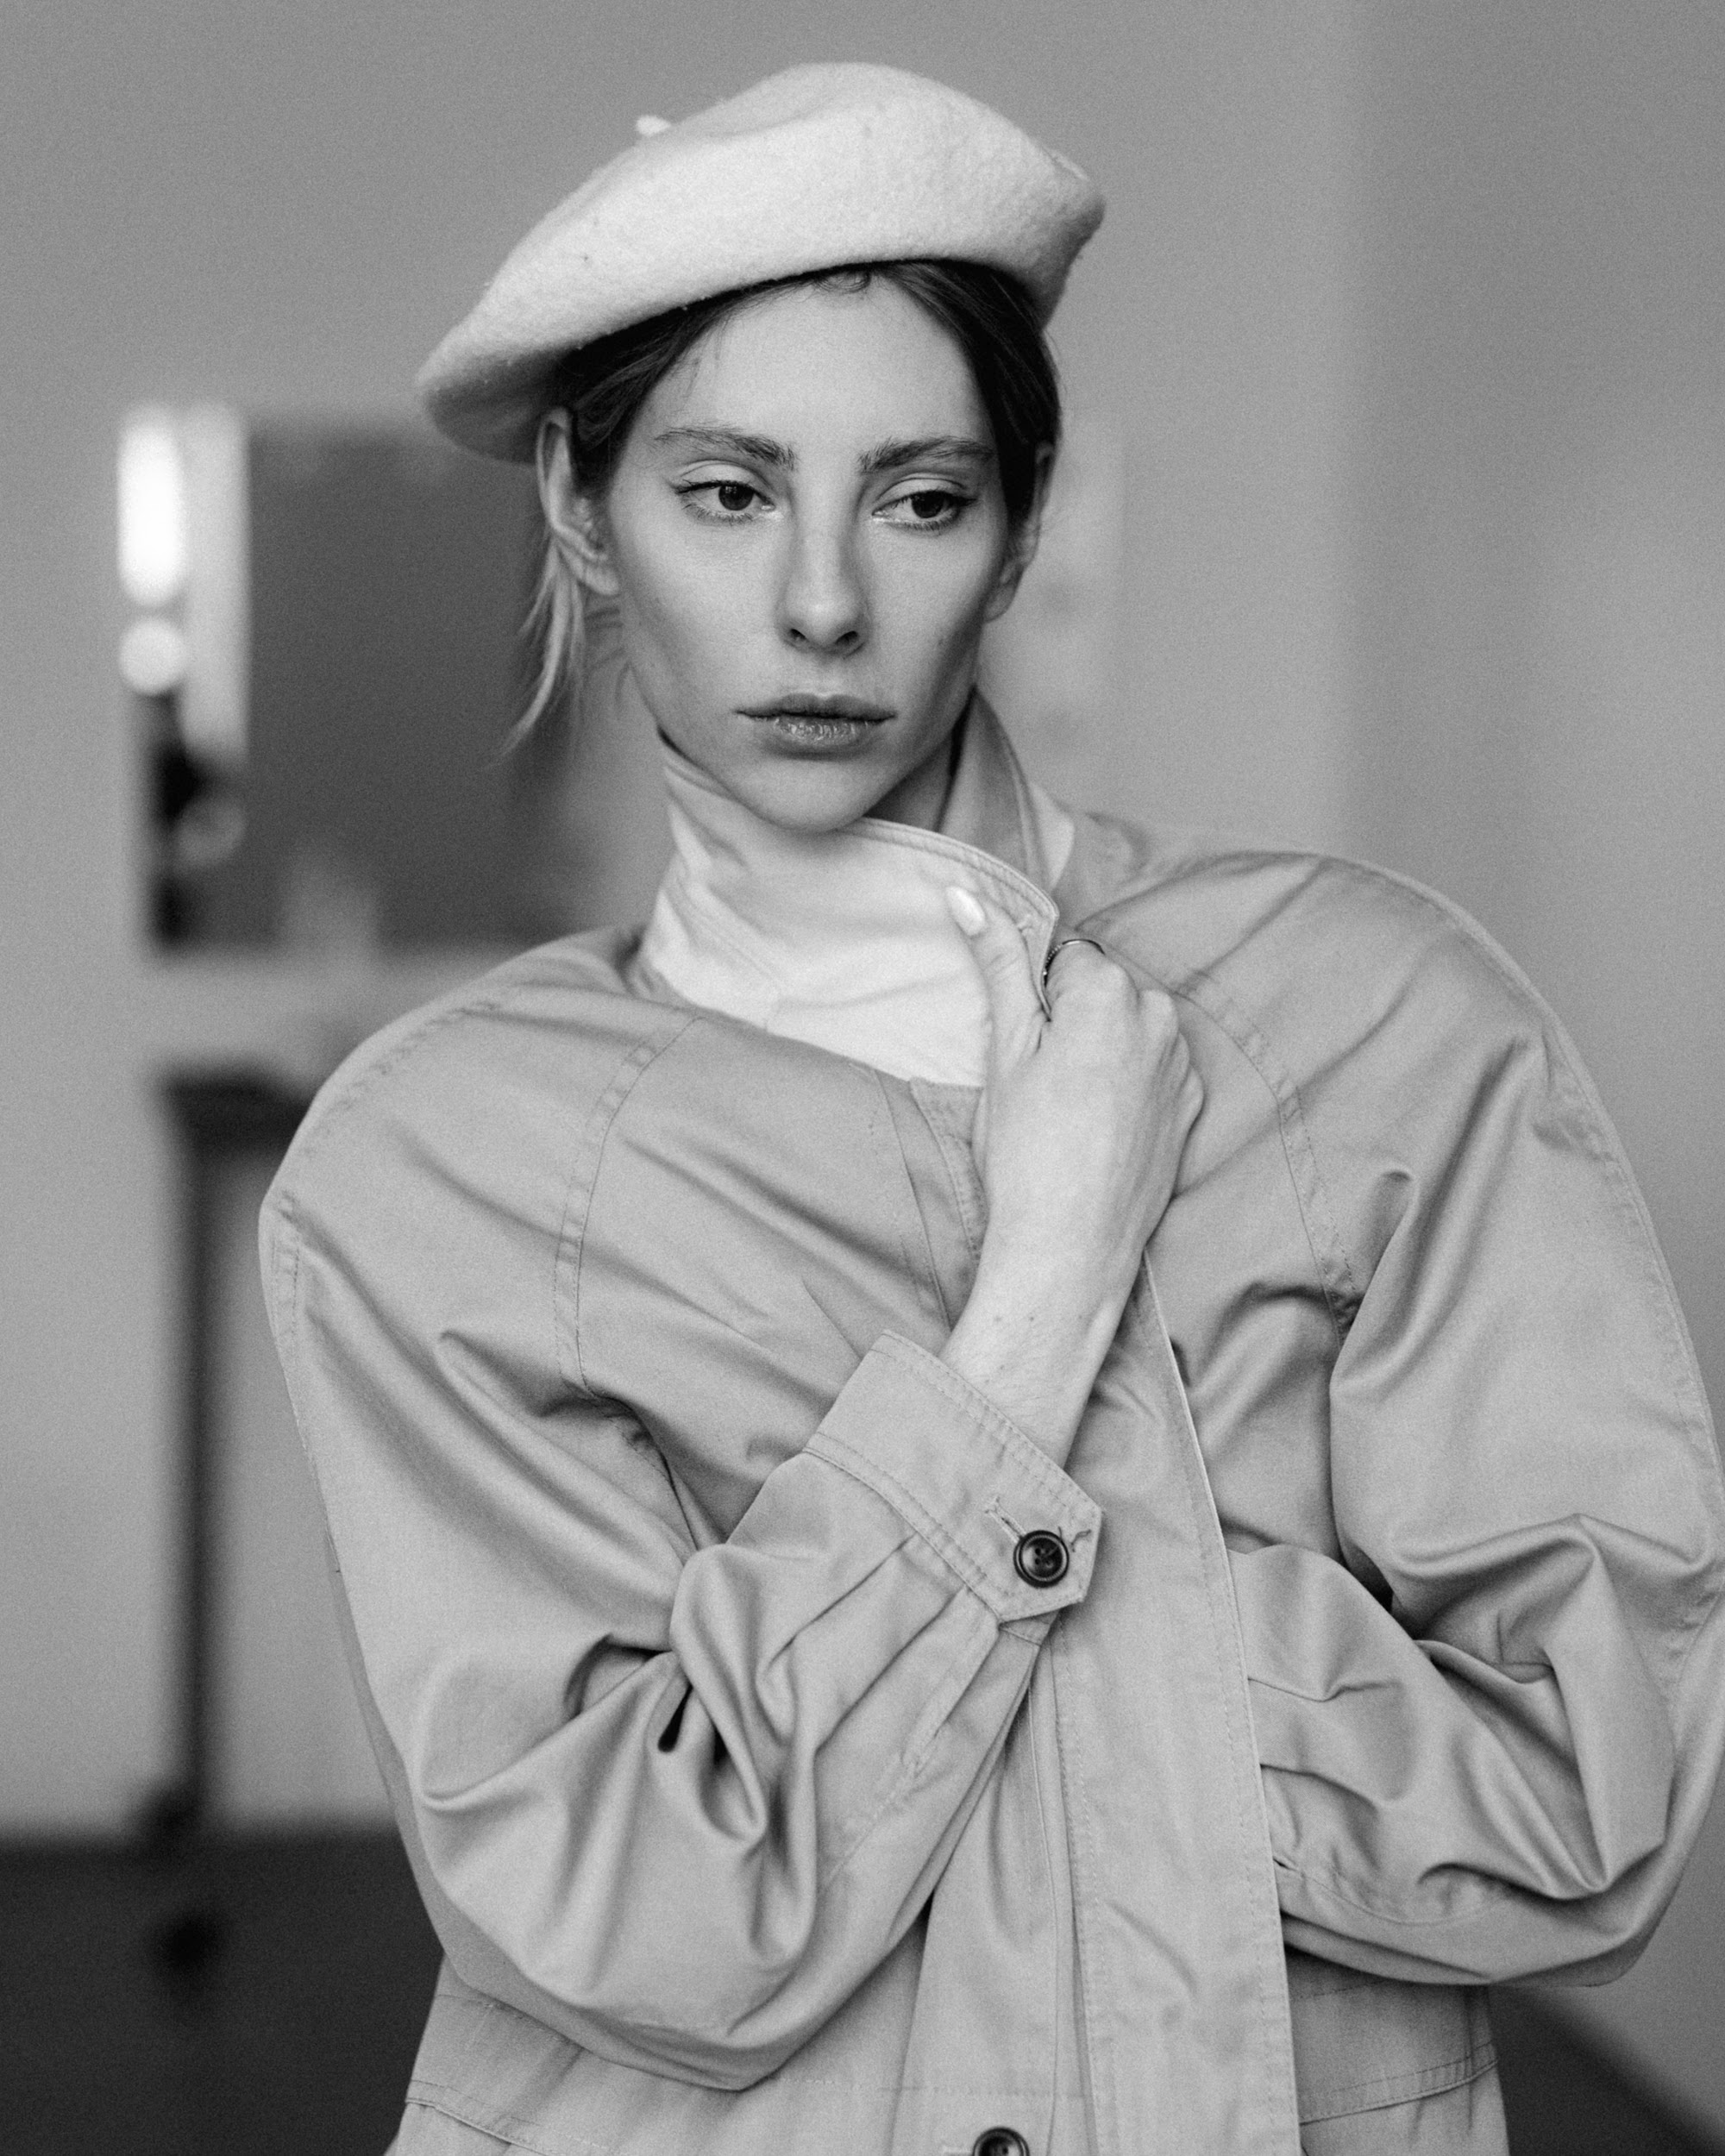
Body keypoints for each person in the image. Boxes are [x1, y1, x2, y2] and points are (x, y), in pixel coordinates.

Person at [260, 63, 1725, 2156]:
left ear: (1020, 530)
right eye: (727, 491)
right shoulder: (433, 1164)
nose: (824, 601)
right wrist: (1037, 1299)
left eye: (920, 497)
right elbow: (643, 1910)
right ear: (583, 512)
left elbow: (1584, 1796)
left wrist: (853, 1677)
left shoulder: (1377, 1022)